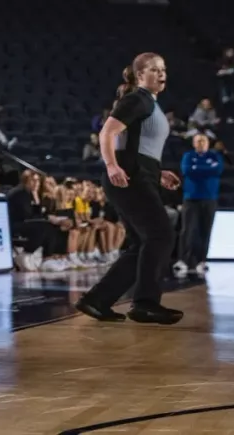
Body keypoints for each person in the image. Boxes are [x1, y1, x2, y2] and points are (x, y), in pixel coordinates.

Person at [77, 53, 183, 325]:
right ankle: (145, 303)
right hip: (128, 176)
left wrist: (158, 173)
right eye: (154, 69)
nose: (162, 74)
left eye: (164, 69)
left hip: (141, 173)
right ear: (139, 76)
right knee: (160, 236)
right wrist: (111, 165)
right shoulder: (137, 98)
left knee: (143, 242)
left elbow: (139, 146)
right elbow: (107, 133)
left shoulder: (150, 103)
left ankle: (97, 300)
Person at [176, 133, 223, 277]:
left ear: (208, 143)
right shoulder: (188, 156)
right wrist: (206, 169)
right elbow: (187, 170)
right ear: (194, 143)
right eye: (198, 141)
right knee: (188, 230)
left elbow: (218, 170)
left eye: (204, 141)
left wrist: (198, 169)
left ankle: (201, 261)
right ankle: (183, 260)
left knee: (205, 230)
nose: (201, 143)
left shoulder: (215, 156)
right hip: (191, 199)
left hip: (209, 199)